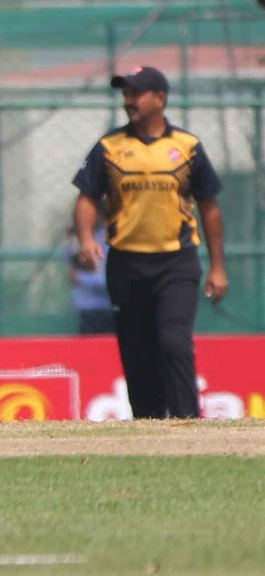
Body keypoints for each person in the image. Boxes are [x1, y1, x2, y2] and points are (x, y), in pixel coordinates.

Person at [73, 66, 226, 419]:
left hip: (177, 262)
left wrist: (218, 267)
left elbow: (210, 207)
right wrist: (85, 239)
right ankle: (148, 423)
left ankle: (188, 421)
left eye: (136, 93)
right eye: (125, 94)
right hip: (126, 264)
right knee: (136, 348)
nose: (129, 101)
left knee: (173, 342)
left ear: (160, 98)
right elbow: (87, 197)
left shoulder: (186, 147)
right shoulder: (110, 146)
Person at [66, 220, 113, 335]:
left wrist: (80, 278)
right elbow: (71, 272)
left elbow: (108, 280)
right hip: (85, 309)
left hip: (107, 308)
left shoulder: (107, 237)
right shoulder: (73, 238)